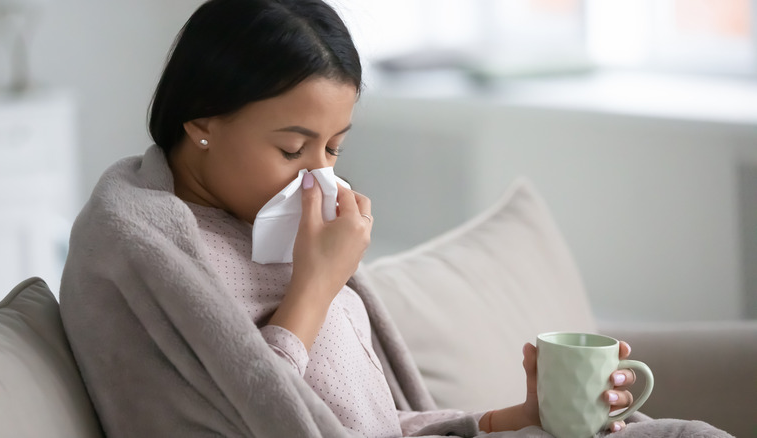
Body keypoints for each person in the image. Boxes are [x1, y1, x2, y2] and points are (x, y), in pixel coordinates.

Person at [63, 0, 639, 436]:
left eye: (334, 148)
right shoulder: (140, 247)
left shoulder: (277, 227)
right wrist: (314, 288)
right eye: (293, 149)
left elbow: (367, 424)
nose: (318, 177)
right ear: (201, 122)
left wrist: (518, 419)